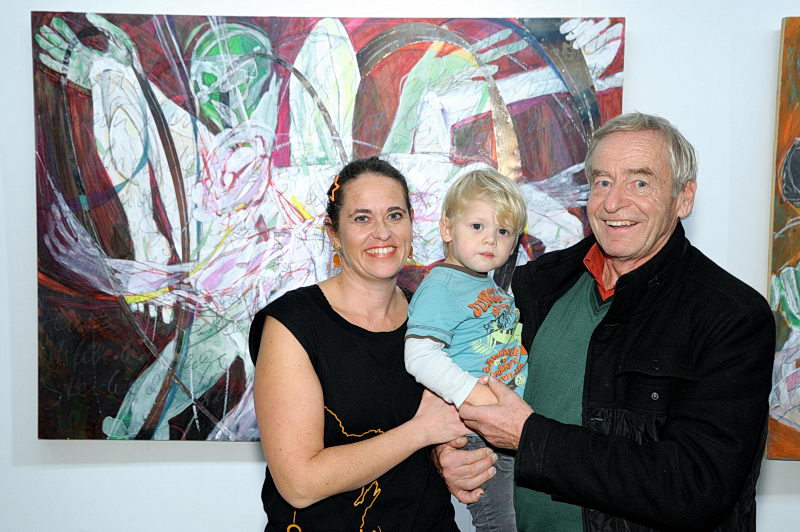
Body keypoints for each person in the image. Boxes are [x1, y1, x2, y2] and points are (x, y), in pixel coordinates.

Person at [436, 112, 775, 531]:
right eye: (602, 182)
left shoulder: (731, 316)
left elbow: (696, 486)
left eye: (640, 183)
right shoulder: (537, 284)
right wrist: (449, 454)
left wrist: (530, 436)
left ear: (683, 198)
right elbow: (468, 381)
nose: (614, 203)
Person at [248, 157, 466, 531]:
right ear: (334, 234)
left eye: (394, 215)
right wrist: (422, 431)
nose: (382, 232)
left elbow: (449, 434)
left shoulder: (436, 319)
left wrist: (456, 460)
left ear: (411, 224)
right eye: (362, 218)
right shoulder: (292, 324)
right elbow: (299, 484)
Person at [404, 169, 528, 531]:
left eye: (503, 231)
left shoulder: (490, 287)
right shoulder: (441, 286)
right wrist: (475, 396)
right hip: (478, 433)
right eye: (477, 226)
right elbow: (419, 356)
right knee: (502, 526)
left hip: (508, 424)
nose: (490, 238)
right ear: (447, 229)